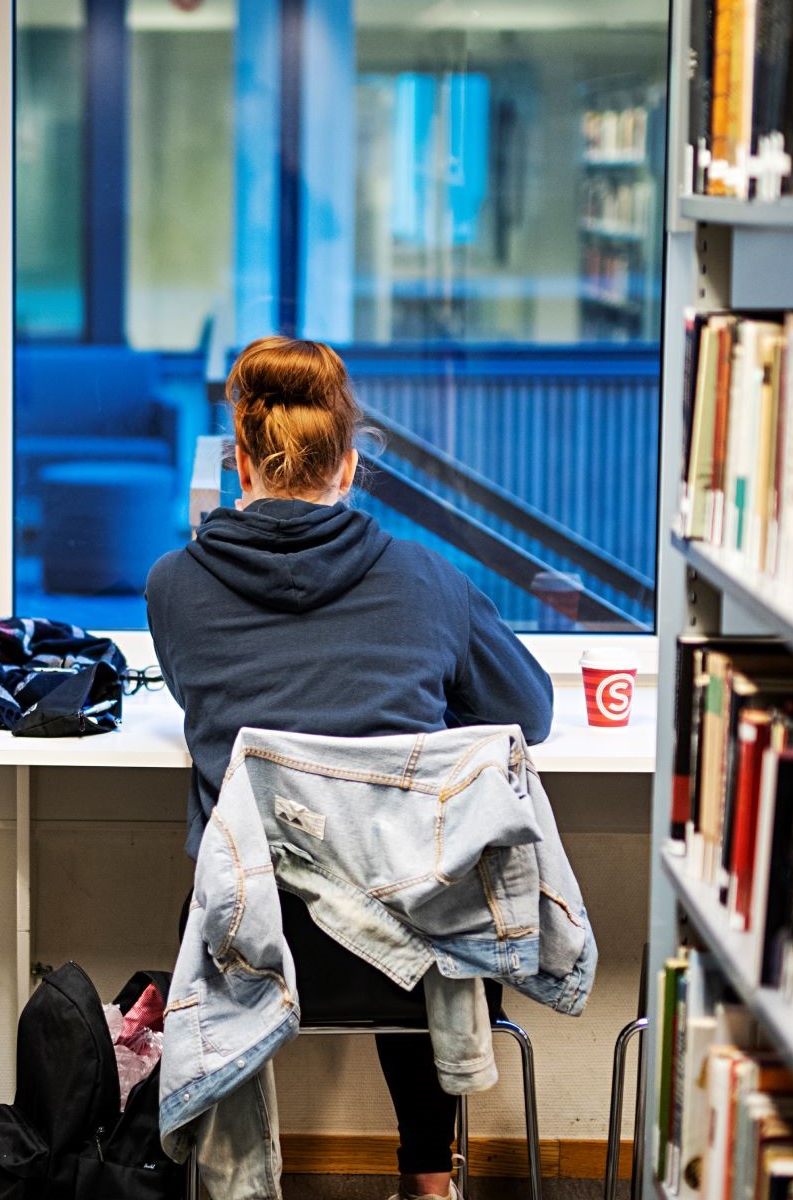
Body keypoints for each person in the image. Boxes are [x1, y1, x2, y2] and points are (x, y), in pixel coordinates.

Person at [144, 336, 554, 1200]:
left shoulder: (173, 585)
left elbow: (199, 694)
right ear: (351, 464)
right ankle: (427, 1178)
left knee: (339, 874)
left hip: (251, 939)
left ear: (239, 464)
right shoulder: (429, 580)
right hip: (412, 946)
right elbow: (533, 711)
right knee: (407, 875)